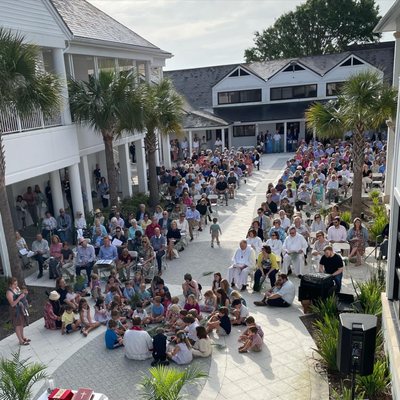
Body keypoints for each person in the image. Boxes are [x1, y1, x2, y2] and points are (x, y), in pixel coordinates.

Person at [6, 277, 30, 345]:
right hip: (15, 310)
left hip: (20, 308)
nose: (16, 285)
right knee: (17, 325)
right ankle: (20, 340)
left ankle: (23, 337)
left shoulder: (16, 288)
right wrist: (19, 297)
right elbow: (12, 304)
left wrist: (24, 293)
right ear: (10, 284)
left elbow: (21, 295)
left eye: (16, 284)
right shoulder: (9, 293)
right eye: (14, 284)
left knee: (22, 323)